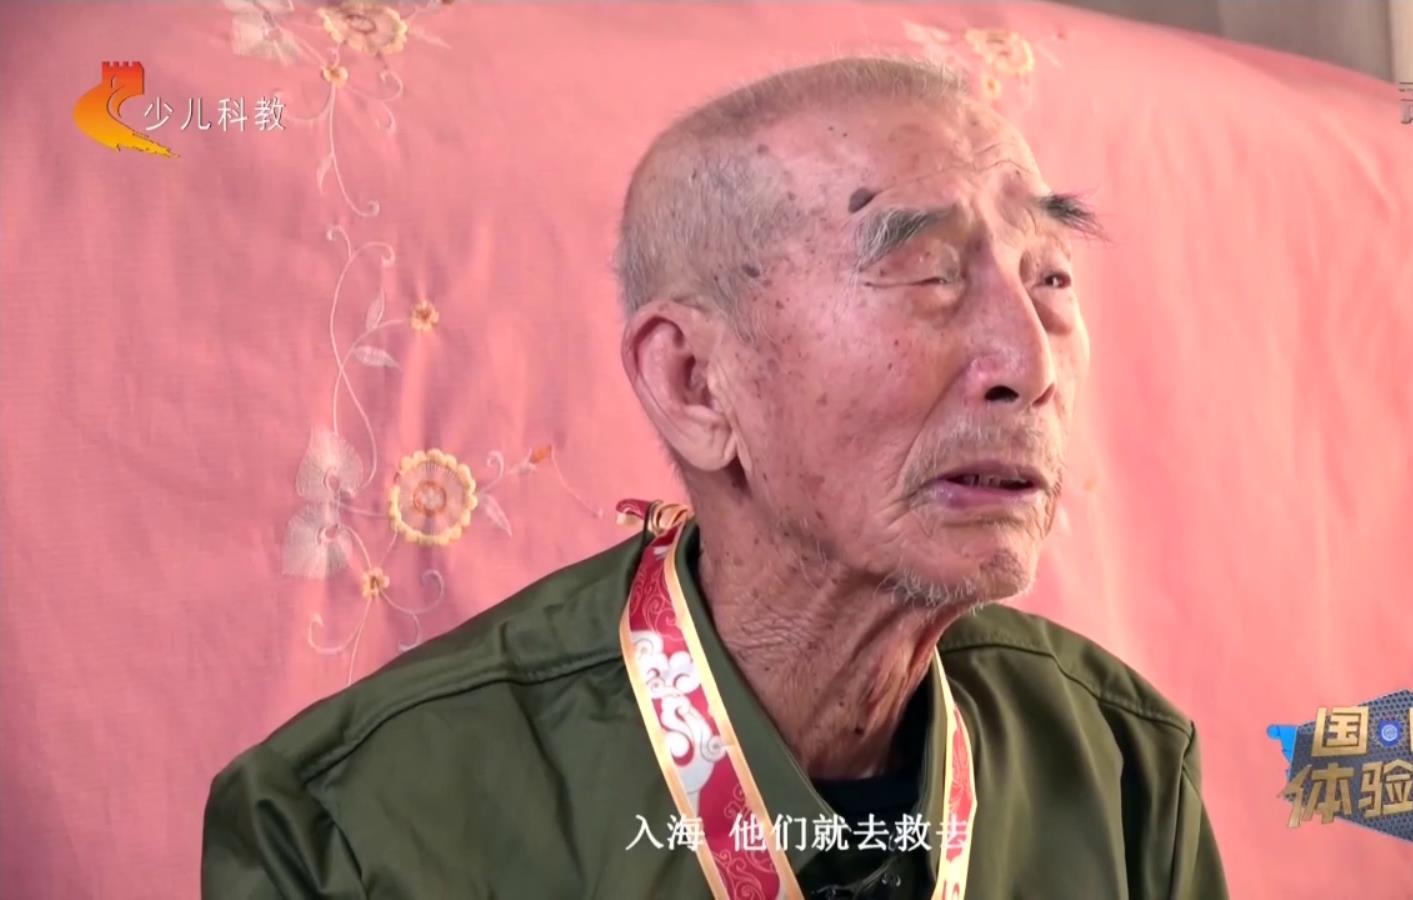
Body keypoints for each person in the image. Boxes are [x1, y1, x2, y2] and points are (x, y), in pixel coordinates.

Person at [202, 56, 1229, 899]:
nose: (1031, 364)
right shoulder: (354, 831)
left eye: (1051, 277)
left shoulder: (1118, 765)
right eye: (929, 272)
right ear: (695, 383)